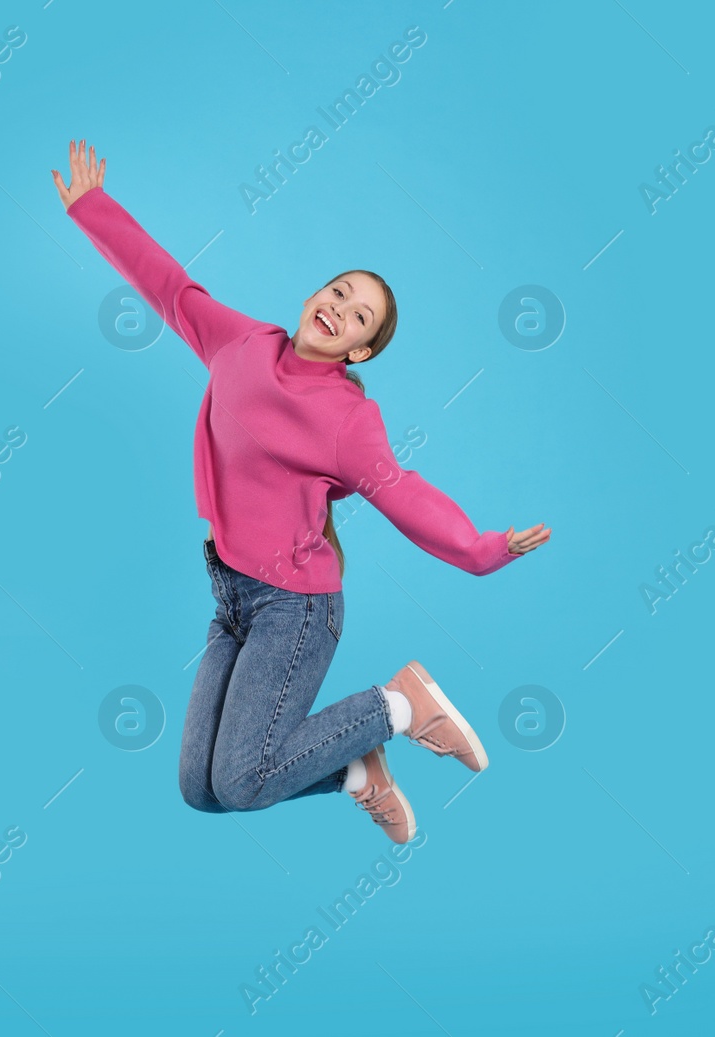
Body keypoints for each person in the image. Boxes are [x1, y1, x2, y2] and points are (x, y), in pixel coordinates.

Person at [52, 140, 550, 842]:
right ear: (315, 295)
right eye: (339, 292)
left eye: (359, 318)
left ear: (359, 351)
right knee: (202, 788)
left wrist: (484, 548)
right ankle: (357, 772)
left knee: (242, 781)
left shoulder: (349, 419)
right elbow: (168, 286)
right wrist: (91, 209)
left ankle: (398, 706)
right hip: (232, 597)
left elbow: (404, 495)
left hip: (296, 609)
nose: (340, 309)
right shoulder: (241, 343)